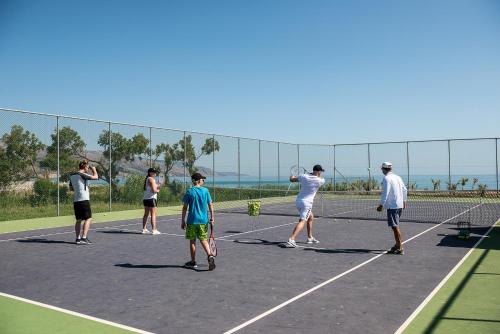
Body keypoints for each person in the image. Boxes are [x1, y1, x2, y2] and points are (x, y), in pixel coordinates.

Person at [285, 164, 326, 248]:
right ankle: (291, 239)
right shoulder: (320, 181)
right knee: (303, 221)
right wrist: (313, 175)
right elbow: (321, 178)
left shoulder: (303, 177)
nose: (321, 173)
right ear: (318, 172)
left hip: (298, 202)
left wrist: (292, 176)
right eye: (321, 171)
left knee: (311, 217)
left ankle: (310, 237)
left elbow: (291, 180)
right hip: (307, 204)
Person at [181, 172, 216, 270]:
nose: (203, 181)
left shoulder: (189, 191)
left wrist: (183, 220)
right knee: (203, 240)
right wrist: (212, 217)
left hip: (192, 221)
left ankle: (193, 262)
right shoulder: (206, 191)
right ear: (198, 180)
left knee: (192, 241)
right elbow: (210, 205)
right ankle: (210, 255)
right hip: (203, 221)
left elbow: (184, 208)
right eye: (202, 179)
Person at [376, 161, 408, 255]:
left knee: (395, 227)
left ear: (383, 169)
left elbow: (385, 193)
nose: (382, 170)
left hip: (392, 206)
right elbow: (405, 190)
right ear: (390, 168)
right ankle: (397, 245)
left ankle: (400, 247)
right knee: (395, 226)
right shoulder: (398, 177)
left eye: (382, 168)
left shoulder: (386, 178)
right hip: (399, 205)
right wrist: (404, 201)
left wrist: (381, 205)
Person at [69, 160, 99, 245]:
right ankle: (84, 237)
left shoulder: (72, 176)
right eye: (87, 167)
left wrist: (79, 188)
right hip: (84, 200)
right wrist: (94, 170)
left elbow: (71, 189)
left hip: (76, 200)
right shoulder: (82, 175)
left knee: (78, 220)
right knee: (88, 218)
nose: (88, 169)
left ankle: (78, 239)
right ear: (85, 167)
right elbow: (96, 177)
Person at [142, 168, 161, 235]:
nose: (155, 173)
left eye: (155, 172)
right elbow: (154, 190)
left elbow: (154, 187)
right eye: (154, 172)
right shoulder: (151, 179)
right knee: (153, 214)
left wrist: (158, 185)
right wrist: (158, 190)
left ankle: (144, 229)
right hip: (151, 199)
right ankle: (154, 230)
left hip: (146, 199)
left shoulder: (148, 179)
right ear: (150, 173)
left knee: (146, 214)